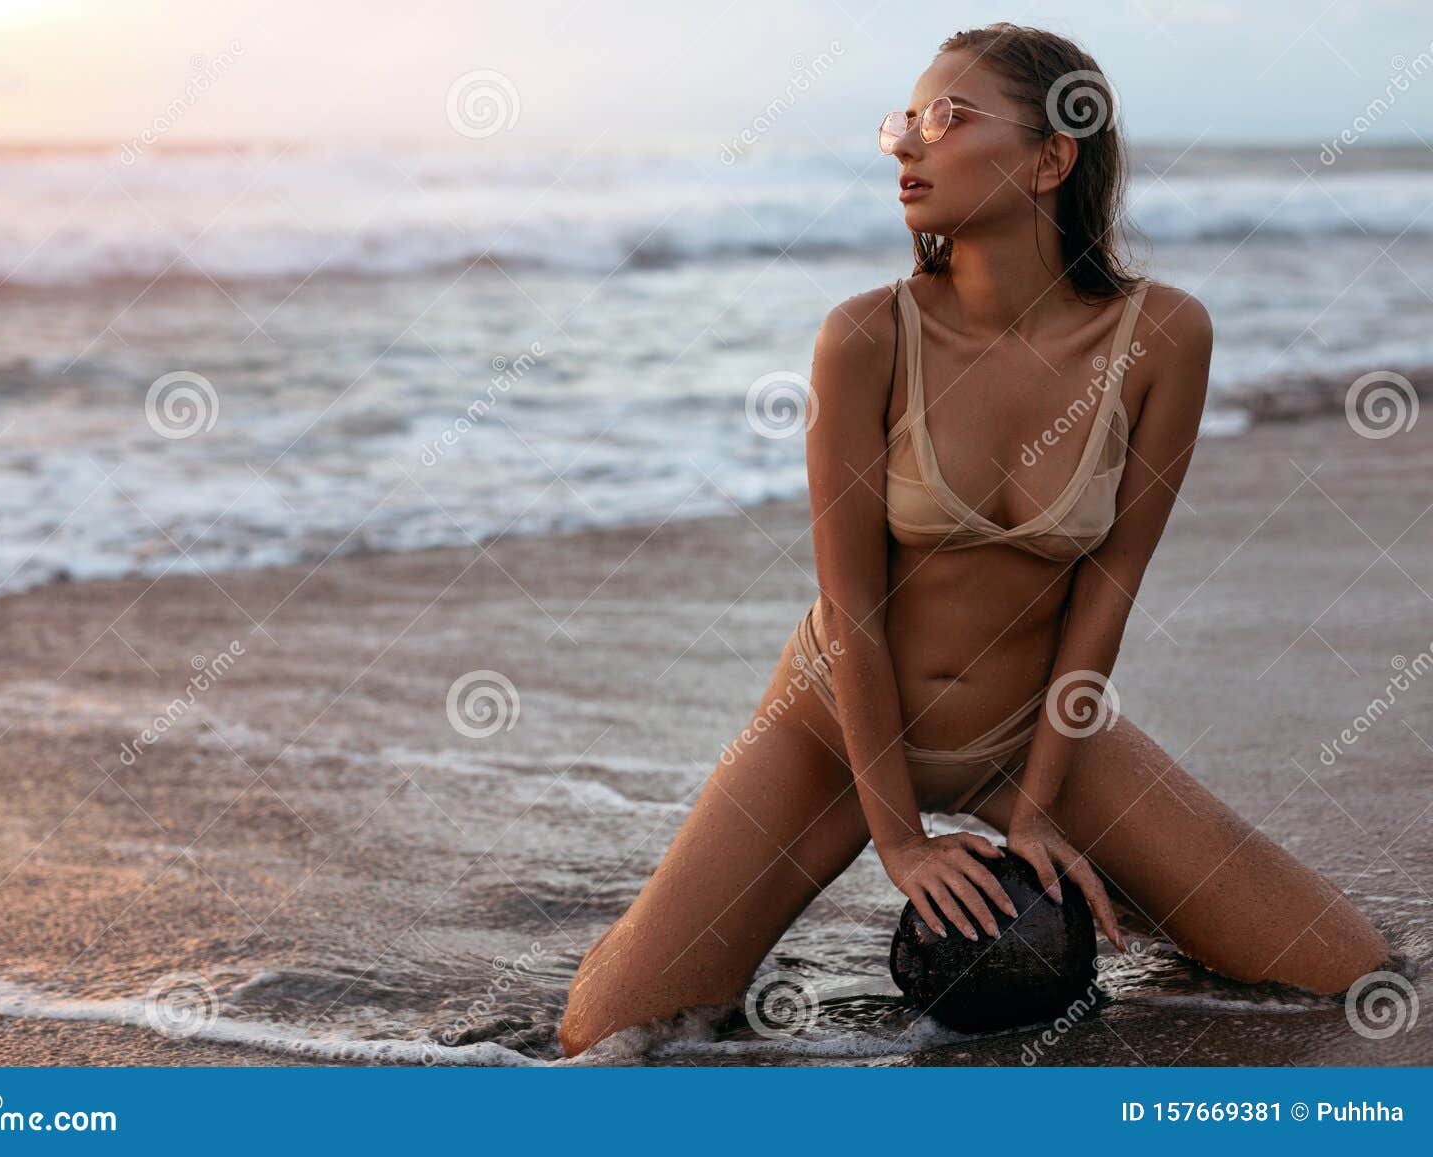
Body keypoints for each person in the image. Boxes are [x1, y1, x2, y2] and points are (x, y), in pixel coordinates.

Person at [557, 21, 1391, 1058]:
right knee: (604, 1031)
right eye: (902, 122)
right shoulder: (865, 335)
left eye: (946, 118)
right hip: (834, 721)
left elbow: (1112, 580)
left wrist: (1036, 807)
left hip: (1030, 729)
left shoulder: (1161, 337)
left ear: (1053, 156)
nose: (906, 145)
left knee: (1345, 972)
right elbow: (850, 602)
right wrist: (900, 839)